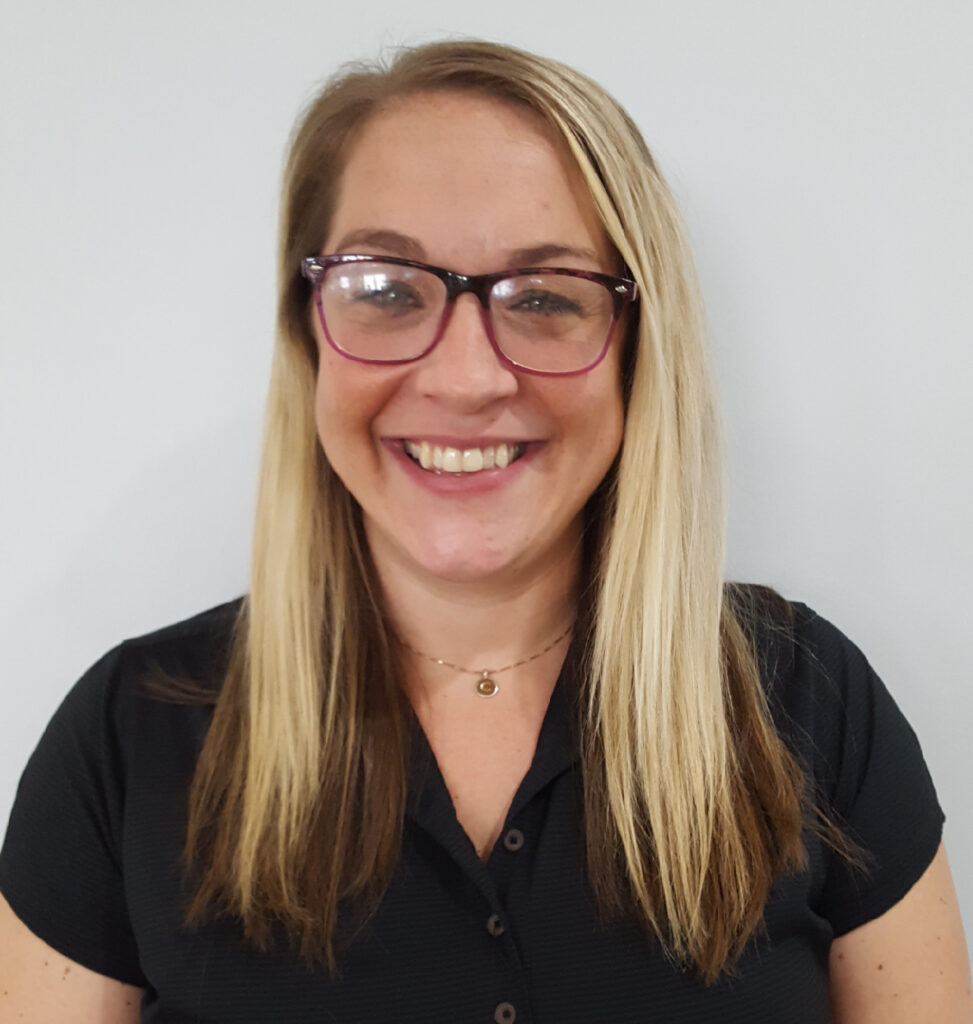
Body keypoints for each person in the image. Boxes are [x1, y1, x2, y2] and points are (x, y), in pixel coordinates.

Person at [0, 38, 970, 1024]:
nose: (467, 377)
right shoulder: (123, 744)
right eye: (385, 290)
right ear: (306, 334)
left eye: (545, 297)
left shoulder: (811, 704)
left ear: (639, 350)